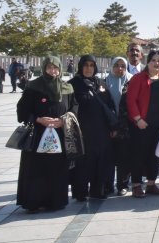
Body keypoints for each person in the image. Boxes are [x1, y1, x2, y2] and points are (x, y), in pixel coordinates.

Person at [16, 56, 79, 212]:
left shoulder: (67, 88)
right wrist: (39, 119)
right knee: (36, 169)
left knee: (57, 169)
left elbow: (74, 108)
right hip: (38, 135)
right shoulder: (33, 87)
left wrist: (63, 120)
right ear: (44, 68)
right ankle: (34, 202)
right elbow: (22, 110)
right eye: (49, 67)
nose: (53, 71)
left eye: (56, 68)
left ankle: (55, 201)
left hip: (59, 134)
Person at [69, 55, 118, 201]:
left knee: (101, 161)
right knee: (83, 163)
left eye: (91, 65)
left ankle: (98, 190)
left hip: (101, 131)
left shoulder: (100, 83)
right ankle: (80, 192)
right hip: (82, 131)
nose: (88, 68)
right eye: (86, 65)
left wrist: (113, 127)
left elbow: (109, 106)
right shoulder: (73, 84)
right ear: (80, 66)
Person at [127, 50, 159, 197]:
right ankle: (137, 185)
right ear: (148, 62)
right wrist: (138, 119)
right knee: (138, 154)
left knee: (154, 155)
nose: (157, 63)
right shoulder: (138, 78)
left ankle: (151, 184)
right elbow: (130, 101)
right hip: (141, 124)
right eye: (154, 60)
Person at [104, 57, 132, 195]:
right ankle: (108, 184)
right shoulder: (104, 83)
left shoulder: (131, 80)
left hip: (126, 125)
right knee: (108, 157)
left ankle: (123, 185)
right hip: (109, 125)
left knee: (124, 156)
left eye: (123, 66)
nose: (119, 68)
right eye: (116, 65)